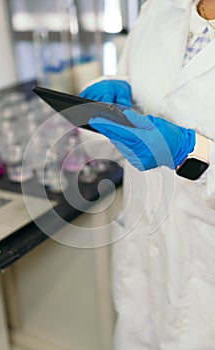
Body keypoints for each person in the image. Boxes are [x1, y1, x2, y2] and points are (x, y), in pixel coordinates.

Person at [79, 0, 215, 349]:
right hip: (143, 261)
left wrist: (193, 153)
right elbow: (134, 76)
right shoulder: (159, 6)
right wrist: (113, 94)